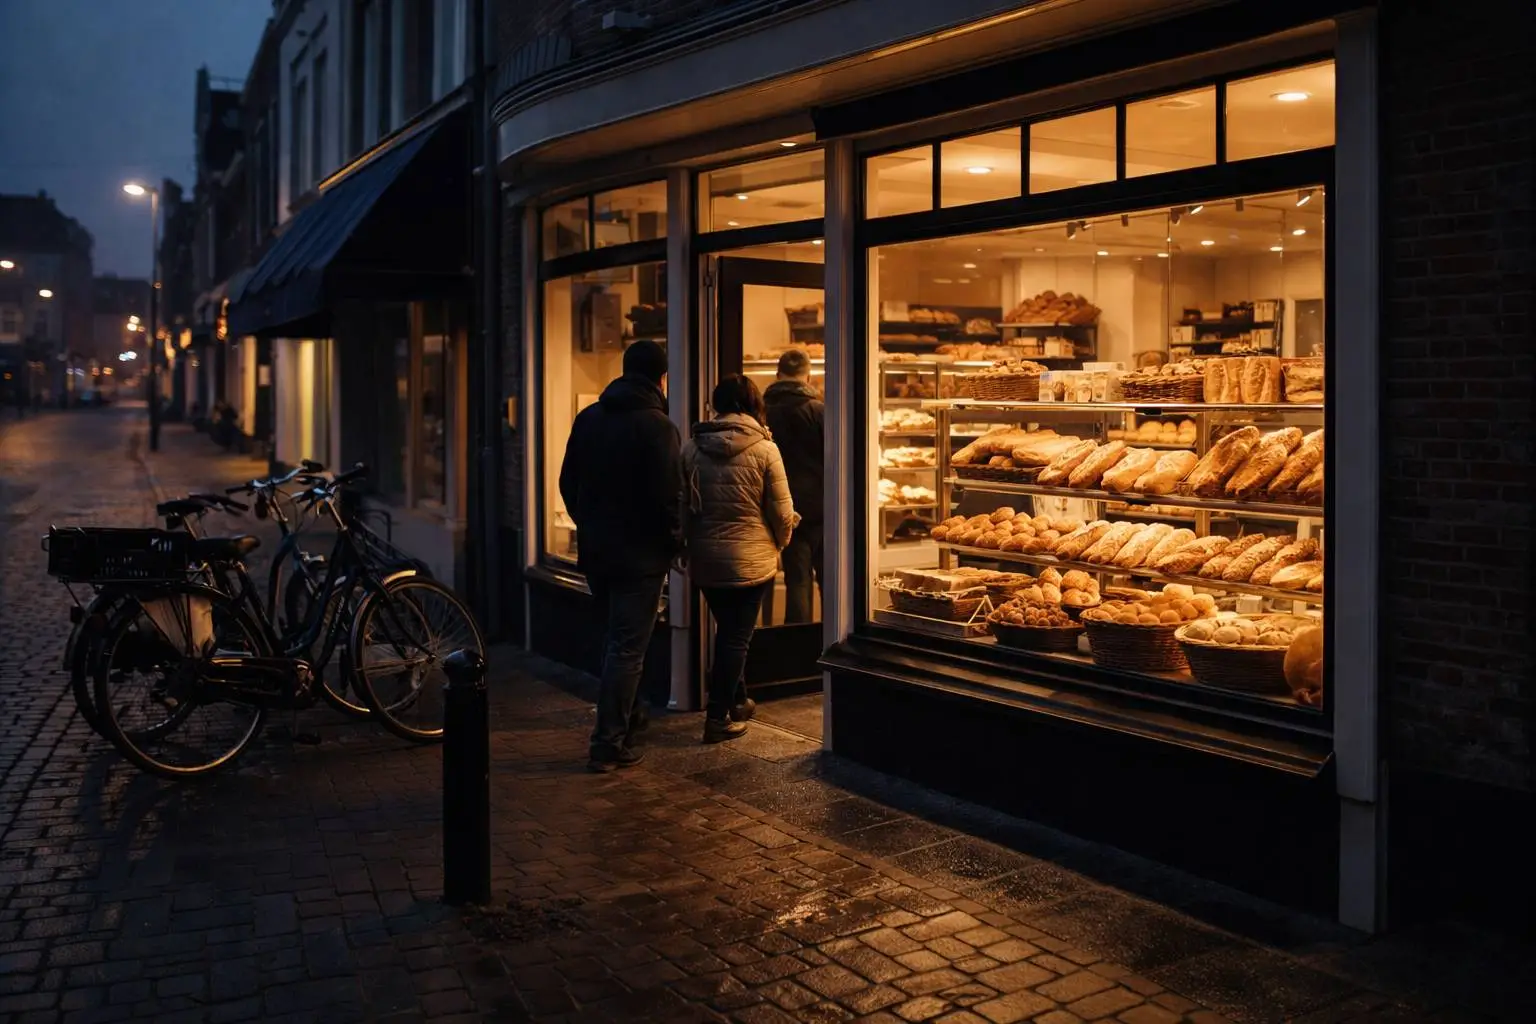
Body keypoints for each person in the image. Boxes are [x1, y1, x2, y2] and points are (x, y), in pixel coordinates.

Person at [559, 339, 683, 772]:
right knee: (629, 646)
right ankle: (608, 742)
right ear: (661, 377)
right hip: (641, 556)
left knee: (615, 641)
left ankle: (630, 717)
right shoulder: (658, 427)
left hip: (597, 550)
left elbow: (567, 482)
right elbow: (670, 496)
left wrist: (588, 523)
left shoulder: (590, 418)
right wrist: (673, 543)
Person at [683, 374, 800, 743]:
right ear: (753, 404)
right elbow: (782, 512)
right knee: (736, 638)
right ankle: (718, 718)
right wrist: (780, 543)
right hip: (752, 557)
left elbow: (681, 505)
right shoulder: (766, 450)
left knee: (730, 631)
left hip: (705, 558)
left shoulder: (691, 447)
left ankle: (738, 701)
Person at [763, 348, 825, 623]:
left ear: (778, 375)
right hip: (821, 507)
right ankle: (831, 641)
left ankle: (795, 647)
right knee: (831, 582)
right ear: (808, 376)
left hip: (783, 507)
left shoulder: (763, 412)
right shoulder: (818, 411)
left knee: (797, 581)